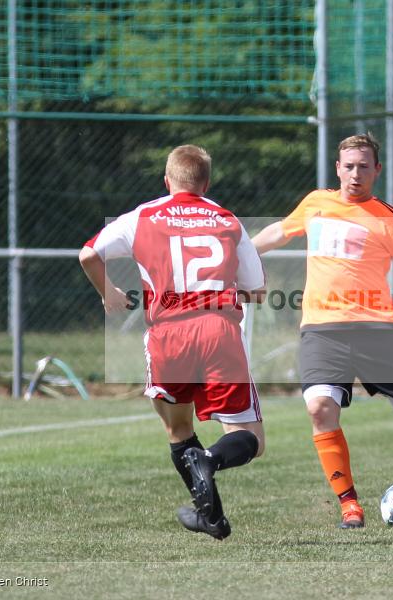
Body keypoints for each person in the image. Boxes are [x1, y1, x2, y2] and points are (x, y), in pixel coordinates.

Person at [251, 133, 393, 529]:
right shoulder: (316, 203)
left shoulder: (389, 218)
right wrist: (243, 253)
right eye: (349, 166)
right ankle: (349, 505)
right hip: (322, 329)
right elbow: (281, 232)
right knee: (320, 408)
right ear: (338, 169)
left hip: (378, 331)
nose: (356, 174)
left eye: (364, 167)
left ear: (377, 170)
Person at [79, 145, 266, 540]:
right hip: (217, 331)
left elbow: (88, 254)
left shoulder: (143, 216)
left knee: (178, 429)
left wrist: (108, 292)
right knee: (250, 438)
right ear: (207, 183)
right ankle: (211, 463)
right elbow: (257, 289)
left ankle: (211, 518)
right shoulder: (227, 219)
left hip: (167, 337)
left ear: (167, 181)